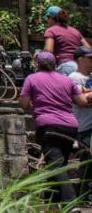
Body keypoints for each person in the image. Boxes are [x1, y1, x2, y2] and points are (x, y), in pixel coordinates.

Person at [20, 50, 92, 204]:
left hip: (48, 126)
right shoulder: (67, 80)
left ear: (37, 64)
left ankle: (70, 201)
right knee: (60, 164)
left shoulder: (32, 79)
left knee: (55, 165)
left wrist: (35, 101)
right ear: (54, 65)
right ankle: (54, 201)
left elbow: (24, 104)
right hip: (70, 126)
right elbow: (82, 102)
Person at [69, 46, 92, 203]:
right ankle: (83, 195)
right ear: (80, 59)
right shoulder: (73, 77)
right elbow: (83, 101)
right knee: (86, 161)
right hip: (82, 126)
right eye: (90, 58)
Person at [44, 5, 90, 75]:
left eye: (47, 18)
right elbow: (88, 49)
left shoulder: (51, 30)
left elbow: (48, 51)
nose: (47, 21)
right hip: (79, 67)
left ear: (51, 18)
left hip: (64, 66)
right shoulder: (75, 31)